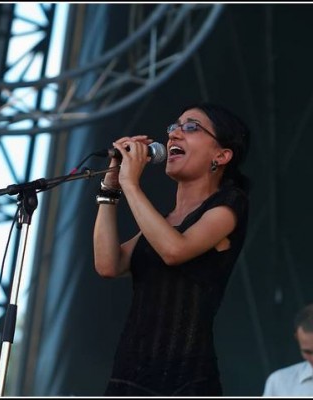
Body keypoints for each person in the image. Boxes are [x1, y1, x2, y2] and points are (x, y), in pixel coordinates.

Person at [93, 102, 250, 396]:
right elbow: (108, 264)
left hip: (185, 380)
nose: (174, 134)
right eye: (174, 127)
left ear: (222, 155)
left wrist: (130, 183)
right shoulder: (163, 222)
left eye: (191, 127)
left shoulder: (230, 205)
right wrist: (110, 189)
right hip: (130, 373)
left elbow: (174, 251)